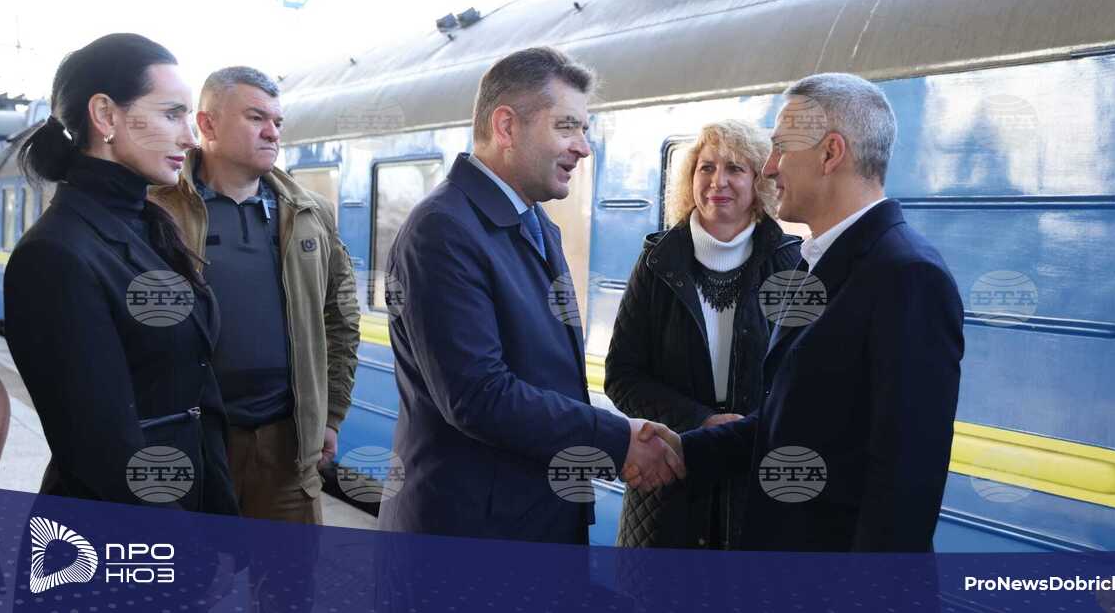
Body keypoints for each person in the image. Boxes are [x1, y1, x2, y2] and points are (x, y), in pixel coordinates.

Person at [630, 73, 965, 552]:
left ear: (831, 154)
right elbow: (791, 422)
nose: (769, 168)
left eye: (781, 148)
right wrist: (685, 448)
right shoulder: (829, 261)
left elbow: (904, 482)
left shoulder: (906, 274)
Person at [378, 46, 683, 544]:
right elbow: (478, 395)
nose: (583, 148)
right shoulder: (442, 230)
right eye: (567, 127)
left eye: (584, 129)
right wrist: (617, 440)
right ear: (506, 127)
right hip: (472, 540)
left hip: (528, 520)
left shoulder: (534, 222)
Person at [4, 33, 237, 515]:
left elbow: (199, 394)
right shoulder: (54, 254)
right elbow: (102, 452)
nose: (190, 138)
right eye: (171, 114)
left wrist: (223, 518)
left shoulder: (150, 227)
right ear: (106, 116)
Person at [148, 66, 360, 525]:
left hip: (286, 451)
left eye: (277, 122)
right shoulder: (156, 209)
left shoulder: (310, 213)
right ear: (207, 125)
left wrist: (331, 414)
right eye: (256, 118)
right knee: (188, 569)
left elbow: (340, 317)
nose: (272, 132)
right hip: (193, 444)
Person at [605, 120, 800, 549]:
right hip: (667, 490)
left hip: (757, 491)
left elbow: (803, 384)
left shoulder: (790, 265)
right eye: (706, 167)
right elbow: (622, 376)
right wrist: (701, 422)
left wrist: (743, 433)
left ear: (758, 181)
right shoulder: (657, 263)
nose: (718, 181)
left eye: (735, 168)